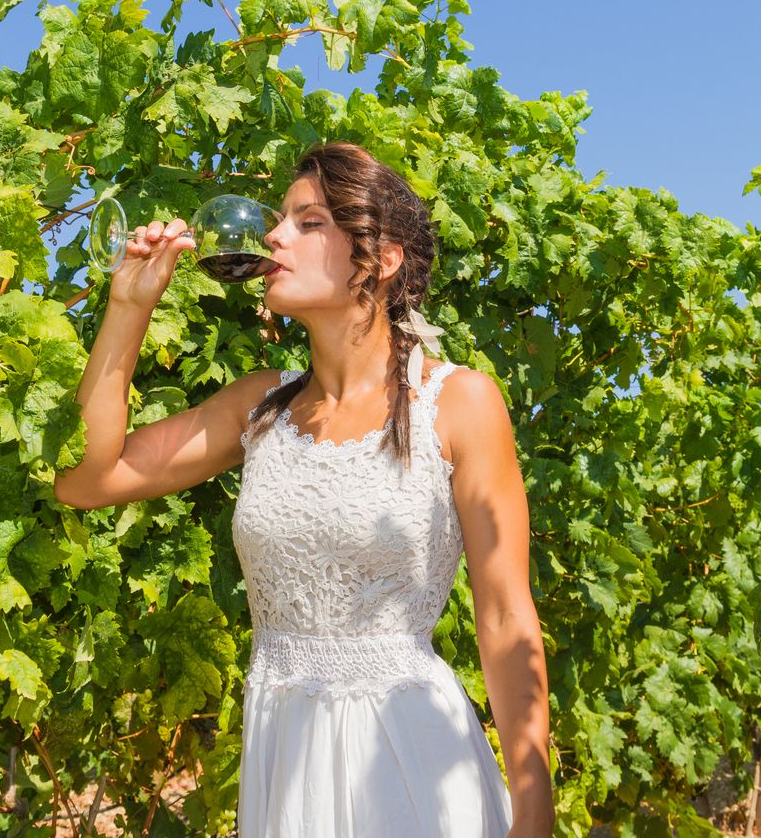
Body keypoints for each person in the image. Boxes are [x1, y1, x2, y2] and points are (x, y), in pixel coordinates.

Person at [54, 141, 554, 838]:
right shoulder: (260, 406)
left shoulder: (460, 402)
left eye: (307, 221)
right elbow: (85, 478)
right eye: (279, 219)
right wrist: (128, 306)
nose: (274, 236)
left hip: (411, 762)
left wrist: (533, 813)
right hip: (287, 764)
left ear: (380, 260)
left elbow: (504, 620)